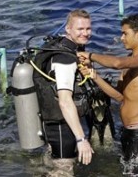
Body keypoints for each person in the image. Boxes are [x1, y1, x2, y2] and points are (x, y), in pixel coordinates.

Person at [77, 14, 138, 176]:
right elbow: (120, 96)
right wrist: (95, 76)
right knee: (127, 171)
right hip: (127, 130)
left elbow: (116, 63)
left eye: (125, 33)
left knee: (135, 174)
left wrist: (91, 56)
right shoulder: (131, 59)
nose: (122, 38)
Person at [35, 9, 95, 176]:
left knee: (52, 167)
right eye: (80, 29)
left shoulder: (60, 46)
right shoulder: (64, 59)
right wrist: (81, 140)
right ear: (68, 29)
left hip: (52, 122)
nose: (85, 33)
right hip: (61, 127)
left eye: (88, 29)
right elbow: (65, 101)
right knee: (64, 169)